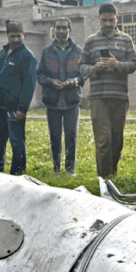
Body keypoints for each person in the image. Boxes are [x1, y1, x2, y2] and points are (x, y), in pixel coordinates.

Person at [79, 2, 136, 178]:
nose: (108, 24)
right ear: (99, 19)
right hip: (98, 97)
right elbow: (82, 66)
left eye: (111, 20)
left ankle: (112, 173)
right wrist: (95, 68)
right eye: (104, 20)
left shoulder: (126, 40)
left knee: (117, 140)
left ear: (117, 18)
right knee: (103, 140)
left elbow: (134, 64)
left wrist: (117, 64)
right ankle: (104, 179)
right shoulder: (91, 41)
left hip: (120, 96)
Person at [0, 21, 38, 175]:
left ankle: (17, 170)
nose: (16, 39)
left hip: (14, 107)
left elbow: (29, 84)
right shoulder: (1, 55)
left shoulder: (27, 56)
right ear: (7, 36)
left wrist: (23, 108)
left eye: (19, 36)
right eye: (12, 36)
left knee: (16, 140)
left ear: (23, 35)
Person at [37, 18, 84, 175]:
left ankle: (70, 169)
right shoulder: (46, 51)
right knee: (55, 136)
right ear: (54, 30)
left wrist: (74, 81)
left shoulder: (78, 51)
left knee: (71, 136)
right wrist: (51, 82)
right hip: (53, 101)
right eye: (58, 28)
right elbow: (39, 75)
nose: (61, 31)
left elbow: (84, 75)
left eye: (64, 28)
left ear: (70, 30)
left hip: (72, 101)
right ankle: (56, 168)